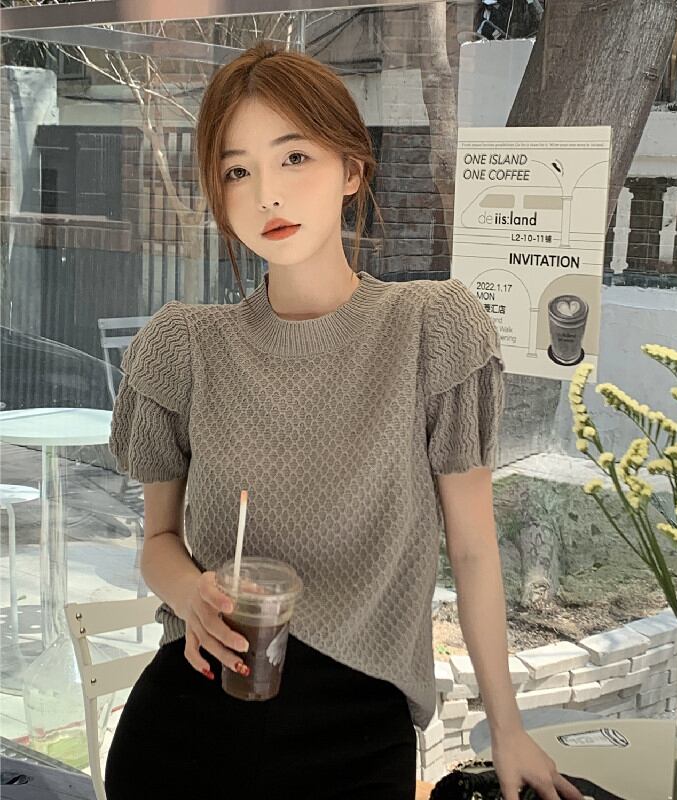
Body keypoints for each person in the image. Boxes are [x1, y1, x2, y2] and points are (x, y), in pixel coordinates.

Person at [104, 43, 582, 800]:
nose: (267, 194)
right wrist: (192, 592)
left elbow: (473, 549)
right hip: (190, 719)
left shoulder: (432, 329)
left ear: (352, 169)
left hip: (354, 733)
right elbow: (158, 543)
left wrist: (508, 729)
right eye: (237, 171)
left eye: (294, 157)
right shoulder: (185, 346)